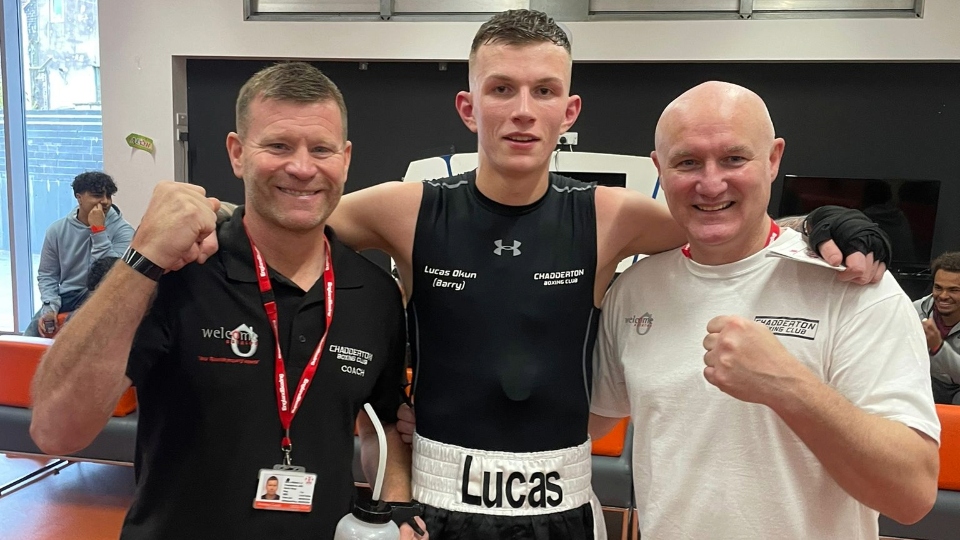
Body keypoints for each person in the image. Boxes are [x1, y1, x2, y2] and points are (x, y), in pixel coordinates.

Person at [327, 9, 889, 539]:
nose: (523, 109)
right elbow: (288, 223)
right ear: (469, 107)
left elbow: (723, 217)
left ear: (568, 111)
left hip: (563, 503)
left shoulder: (610, 216)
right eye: (501, 89)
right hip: (435, 500)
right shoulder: (405, 210)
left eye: (543, 90)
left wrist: (816, 224)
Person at [30, 62, 425, 540]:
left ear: (344, 159)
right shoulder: (176, 272)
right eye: (277, 145)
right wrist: (142, 258)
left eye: (320, 149)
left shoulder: (374, 294)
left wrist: (397, 509)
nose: (302, 167)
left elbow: (381, 424)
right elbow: (54, 431)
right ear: (237, 153)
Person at [589, 81, 940, 539]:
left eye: (734, 158)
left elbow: (911, 495)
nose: (711, 183)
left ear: (773, 159)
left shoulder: (854, 286)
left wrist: (788, 387)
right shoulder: (635, 291)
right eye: (687, 161)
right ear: (659, 167)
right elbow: (585, 425)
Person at [25, 171, 134, 337]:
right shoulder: (57, 230)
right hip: (68, 296)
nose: (105, 201)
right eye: (97, 195)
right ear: (79, 197)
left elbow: (111, 274)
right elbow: (48, 275)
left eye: (109, 196)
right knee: (33, 332)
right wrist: (49, 306)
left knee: (74, 329)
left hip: (103, 295)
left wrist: (98, 230)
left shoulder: (124, 231)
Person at [916, 251, 960, 404]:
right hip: (924, 383)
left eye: (954, 290)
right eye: (938, 287)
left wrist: (938, 347)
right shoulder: (915, 311)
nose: (943, 295)